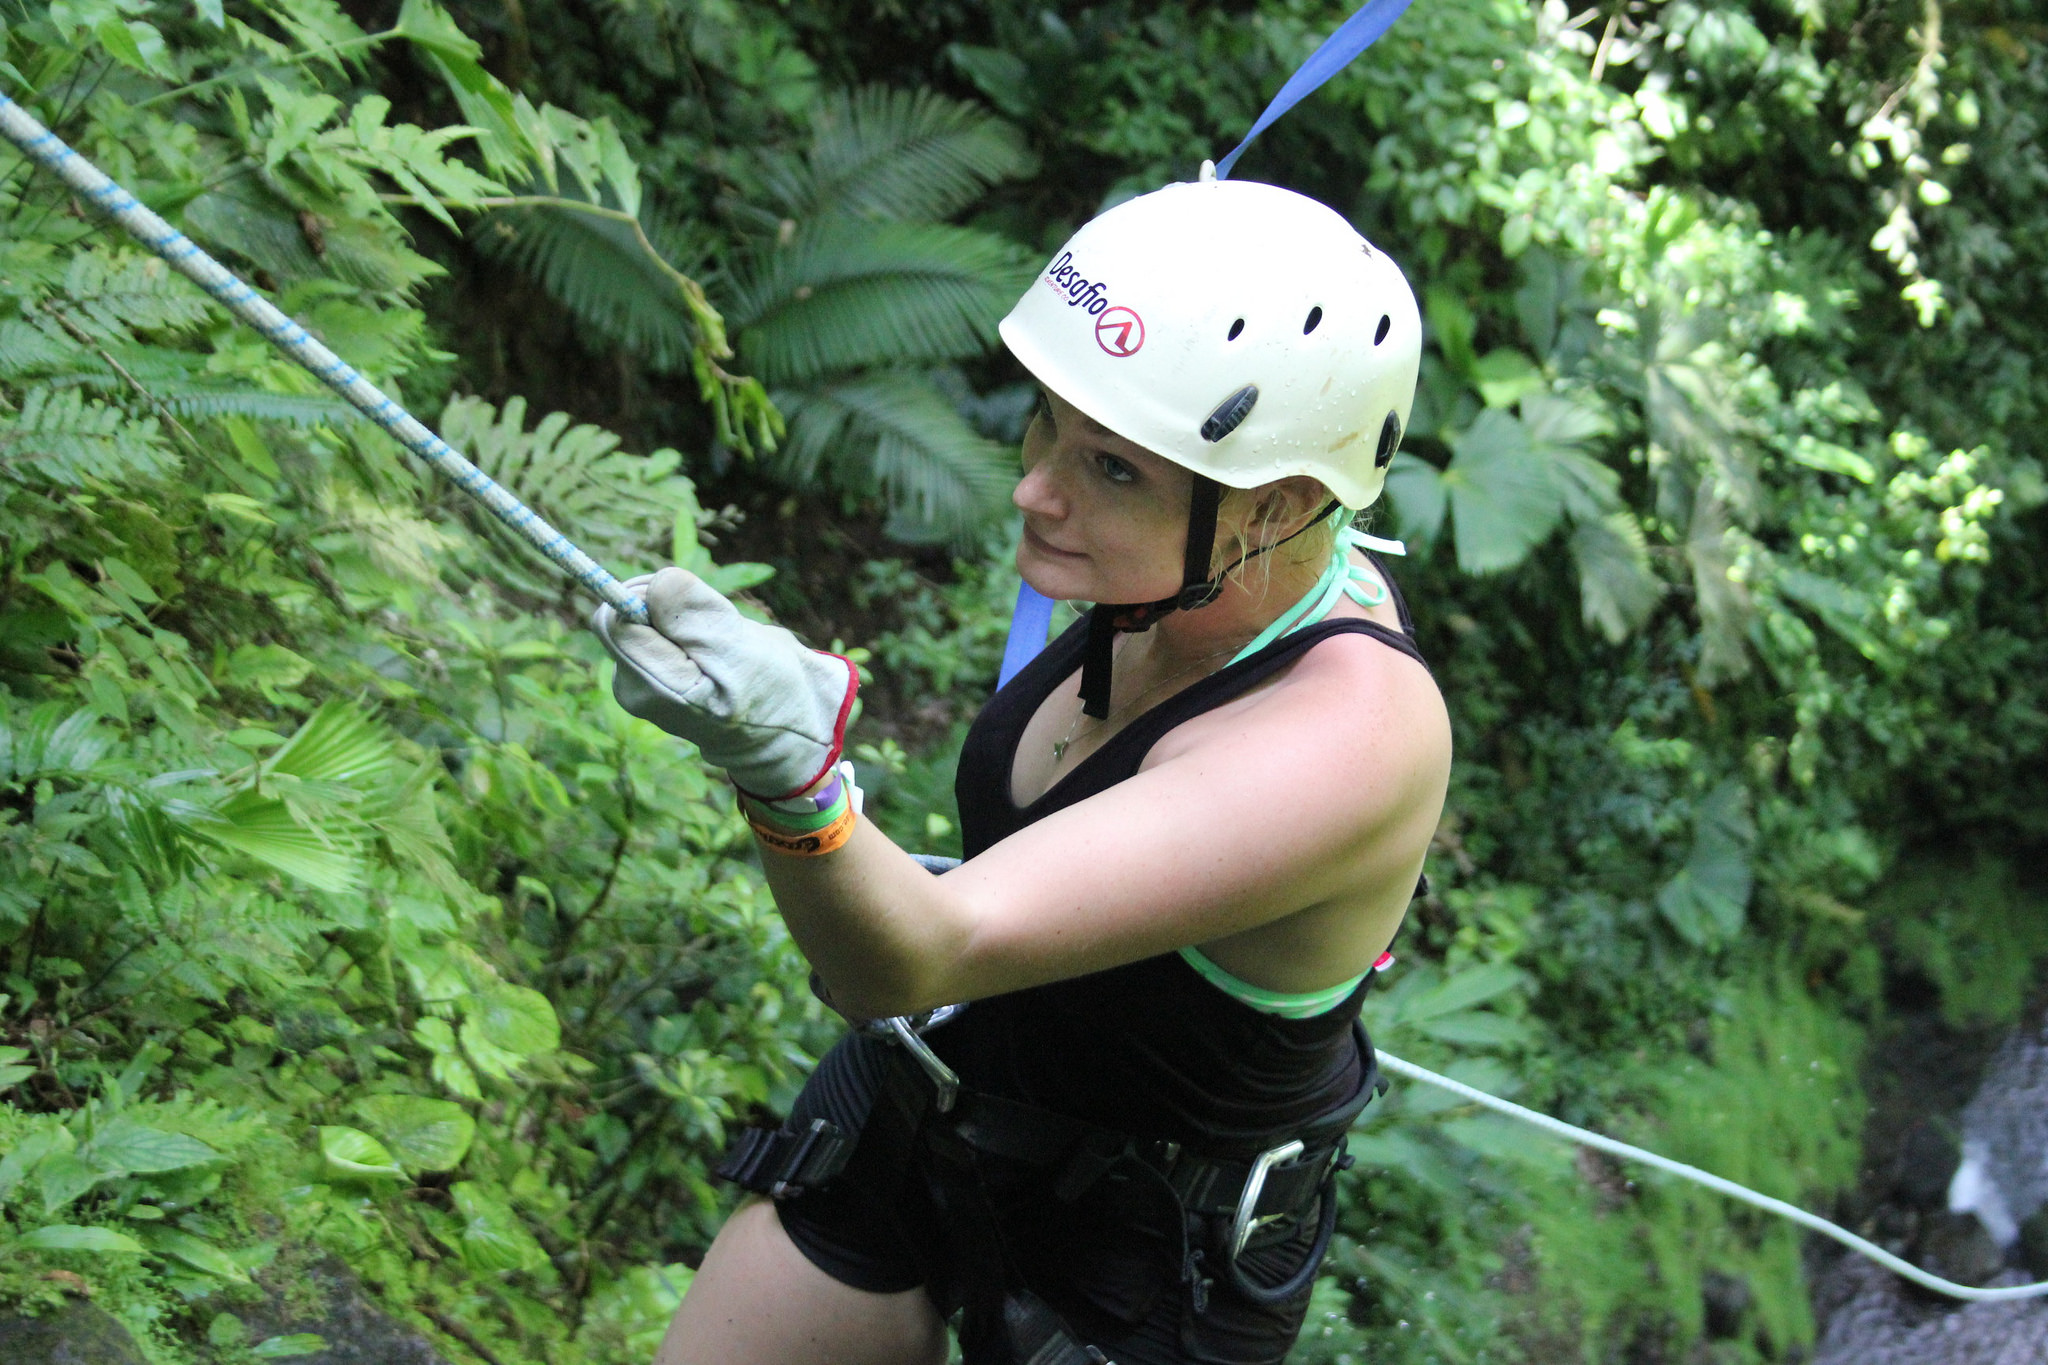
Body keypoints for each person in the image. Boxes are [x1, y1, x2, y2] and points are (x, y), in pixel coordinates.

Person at [594, 167, 1451, 1365]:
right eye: (1046, 419)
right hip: (935, 1099)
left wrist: (789, 784)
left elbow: (911, 953)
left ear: (1280, 506)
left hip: (1145, 1252)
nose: (1033, 487)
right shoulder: (1177, 568)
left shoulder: (1343, 738)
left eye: (1113, 467)